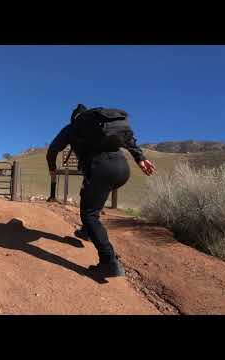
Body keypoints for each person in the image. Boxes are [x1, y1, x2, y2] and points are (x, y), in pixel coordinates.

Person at [46, 104, 156, 278]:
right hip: (122, 169)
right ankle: (86, 231)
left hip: (101, 168)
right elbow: (129, 139)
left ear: (75, 118)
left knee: (89, 214)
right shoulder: (104, 126)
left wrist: (52, 167)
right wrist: (140, 158)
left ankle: (109, 262)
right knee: (90, 196)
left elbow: (53, 149)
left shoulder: (73, 127)